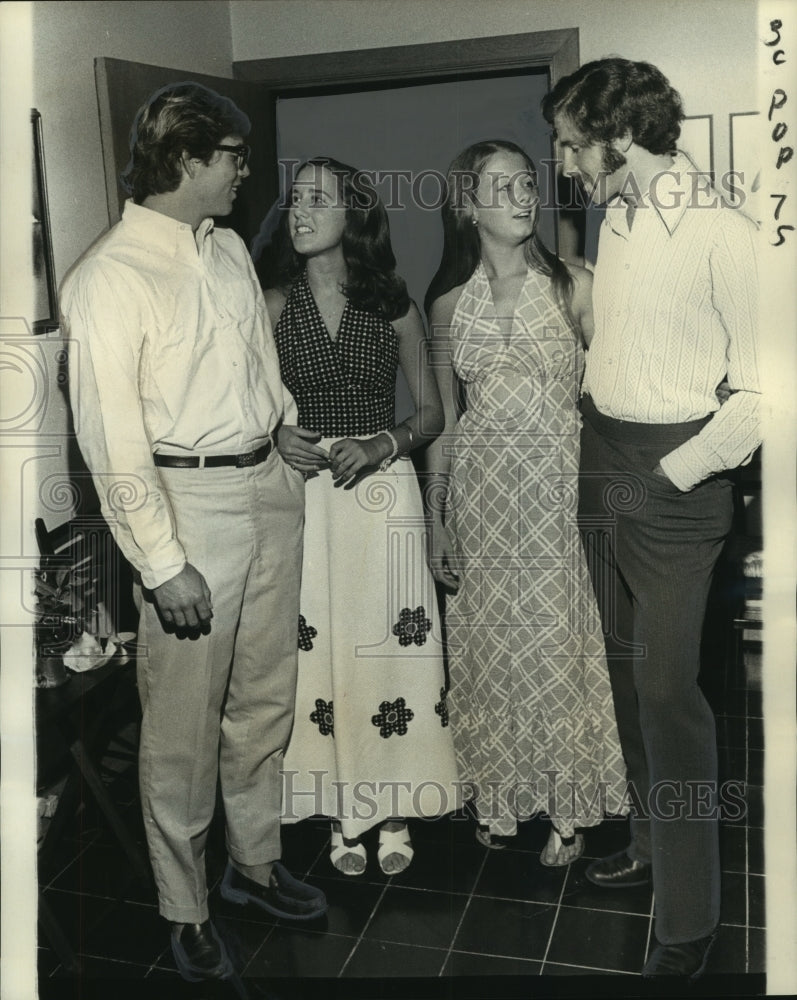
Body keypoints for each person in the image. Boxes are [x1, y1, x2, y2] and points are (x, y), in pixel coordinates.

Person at [59, 82, 327, 984]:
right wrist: (161, 563)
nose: (245, 172)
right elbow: (111, 440)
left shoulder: (224, 255)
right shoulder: (108, 279)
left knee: (263, 701)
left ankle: (253, 868)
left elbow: (257, 362)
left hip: (268, 487)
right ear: (186, 161)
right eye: (232, 158)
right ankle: (186, 907)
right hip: (187, 510)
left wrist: (281, 423)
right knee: (181, 730)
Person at [542, 58, 760, 977]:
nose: (561, 164)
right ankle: (645, 839)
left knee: (671, 697)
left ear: (617, 135)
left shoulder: (724, 231)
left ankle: (689, 921)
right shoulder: (618, 217)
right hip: (605, 460)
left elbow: (764, 395)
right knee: (626, 676)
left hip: (678, 478)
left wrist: (675, 472)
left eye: (567, 143)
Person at [424, 140, 628, 867]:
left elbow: (607, 400)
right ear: (466, 205)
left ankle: (567, 811)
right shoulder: (447, 303)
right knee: (491, 650)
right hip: (482, 501)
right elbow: (447, 423)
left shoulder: (575, 283)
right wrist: (435, 520)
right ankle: (500, 797)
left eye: (524, 183)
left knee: (555, 645)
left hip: (557, 494)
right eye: (498, 185)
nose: (518, 196)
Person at [264, 157, 461, 877]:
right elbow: (248, 403)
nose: (301, 210)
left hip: (383, 499)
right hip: (306, 497)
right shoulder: (273, 305)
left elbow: (433, 412)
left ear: (355, 214)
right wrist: (275, 434)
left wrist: (383, 443)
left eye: (319, 198)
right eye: (295, 199)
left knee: (392, 651)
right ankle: (338, 808)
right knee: (320, 653)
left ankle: (396, 804)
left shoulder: (395, 307)